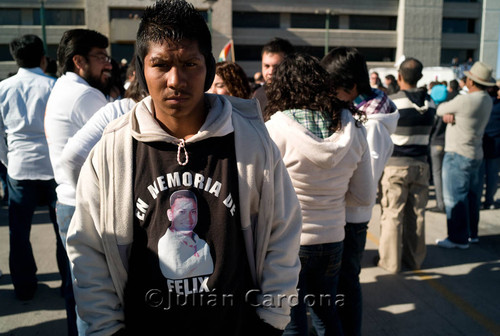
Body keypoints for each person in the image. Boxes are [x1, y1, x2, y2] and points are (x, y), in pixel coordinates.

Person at [66, 1, 301, 335]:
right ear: (141, 69)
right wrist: (106, 327)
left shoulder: (250, 141)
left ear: (209, 67)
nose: (176, 80)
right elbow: (88, 249)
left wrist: (271, 321)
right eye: (160, 64)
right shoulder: (114, 149)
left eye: (190, 63)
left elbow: (283, 233)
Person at [265, 52, 374, 336]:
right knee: (327, 314)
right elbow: (363, 195)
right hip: (334, 239)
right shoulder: (353, 126)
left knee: (292, 320)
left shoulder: (274, 129)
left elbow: (260, 196)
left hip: (290, 243)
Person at [320, 47, 399, 336]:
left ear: (352, 87)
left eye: (334, 89)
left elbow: (366, 179)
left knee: (347, 283)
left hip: (352, 217)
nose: (330, 96)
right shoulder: (363, 111)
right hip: (344, 212)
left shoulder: (373, 124)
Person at [44, 28, 112, 335]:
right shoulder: (86, 95)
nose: (108, 64)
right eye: (101, 57)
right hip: (84, 205)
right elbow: (113, 143)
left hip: (67, 201)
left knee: (80, 289)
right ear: (78, 61)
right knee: (94, 296)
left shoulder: (61, 87)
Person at [0, 34, 67, 302]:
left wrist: (8, 162)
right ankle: (67, 285)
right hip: (53, 168)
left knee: (18, 232)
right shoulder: (55, 86)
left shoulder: (3, 88)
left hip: (19, 167)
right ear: (43, 57)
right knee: (62, 230)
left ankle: (24, 287)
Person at [377, 58, 436, 273]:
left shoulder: (393, 102)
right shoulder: (431, 103)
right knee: (417, 214)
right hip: (421, 164)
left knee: (393, 214)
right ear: (420, 77)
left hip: (396, 166)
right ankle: (415, 259)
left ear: (399, 77)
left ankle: (391, 262)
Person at [436, 61, 496, 248]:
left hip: (457, 153)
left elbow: (440, 109)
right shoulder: (486, 100)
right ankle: (472, 234)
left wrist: (451, 115)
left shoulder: (465, 100)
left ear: (471, 82)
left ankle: (457, 238)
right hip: (475, 153)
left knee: (455, 198)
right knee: (472, 197)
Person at [158, 190, 214, 279]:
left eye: (193, 212)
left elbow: (210, 270)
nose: (189, 219)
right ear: (170, 215)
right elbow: (175, 273)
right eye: (182, 212)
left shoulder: (201, 243)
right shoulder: (165, 242)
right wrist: (201, 256)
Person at [252, 37, 294, 114]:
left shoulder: (299, 95)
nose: (271, 71)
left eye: (277, 67)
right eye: (266, 66)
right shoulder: (258, 95)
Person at [479, 84, 500, 209]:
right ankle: (489, 200)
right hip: (496, 145)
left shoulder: (482, 105)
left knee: (479, 175)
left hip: (481, 143)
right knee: (493, 176)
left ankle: (477, 200)